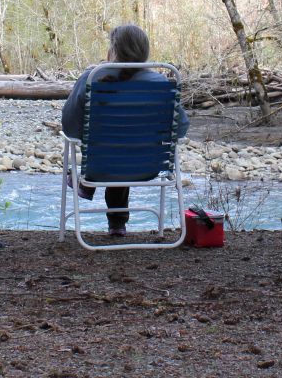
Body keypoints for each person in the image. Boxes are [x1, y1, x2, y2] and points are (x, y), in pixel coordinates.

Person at [61, 24, 189, 237]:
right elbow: (181, 128)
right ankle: (117, 224)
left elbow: (70, 128)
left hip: (98, 168)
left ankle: (84, 182)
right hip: (146, 167)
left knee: (112, 149)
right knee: (126, 148)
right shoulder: (161, 84)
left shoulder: (92, 78)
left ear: (113, 51)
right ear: (144, 51)